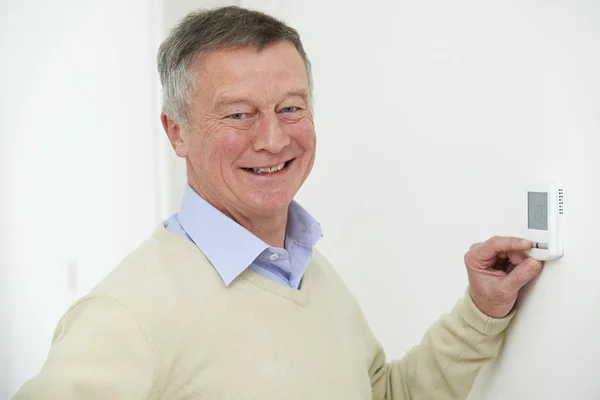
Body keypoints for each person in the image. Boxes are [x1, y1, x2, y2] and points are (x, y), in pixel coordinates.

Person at [13, 6, 544, 400]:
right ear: (177, 132)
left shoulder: (309, 272)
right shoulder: (124, 318)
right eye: (239, 114)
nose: (273, 139)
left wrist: (481, 312)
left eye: (290, 107)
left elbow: (383, 396)